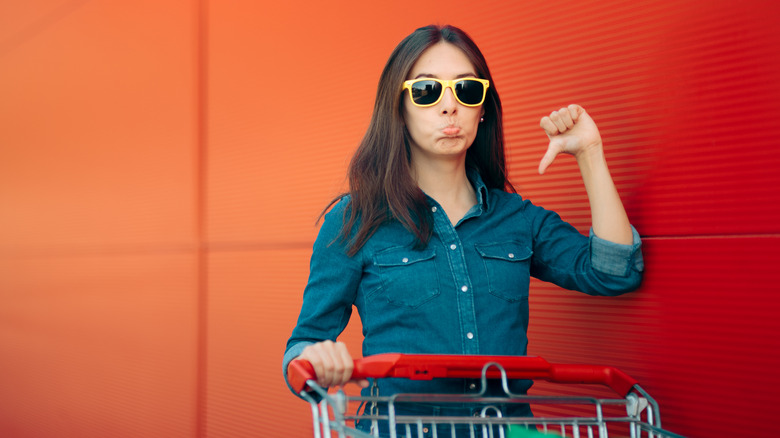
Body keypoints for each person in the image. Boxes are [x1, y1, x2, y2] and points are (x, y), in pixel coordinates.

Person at [283, 24, 644, 436]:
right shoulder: (355, 220)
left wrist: (589, 154)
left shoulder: (516, 218)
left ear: (483, 108)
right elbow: (302, 345)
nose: (449, 107)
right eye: (426, 91)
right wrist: (318, 359)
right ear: (399, 108)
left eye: (466, 91)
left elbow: (615, 272)